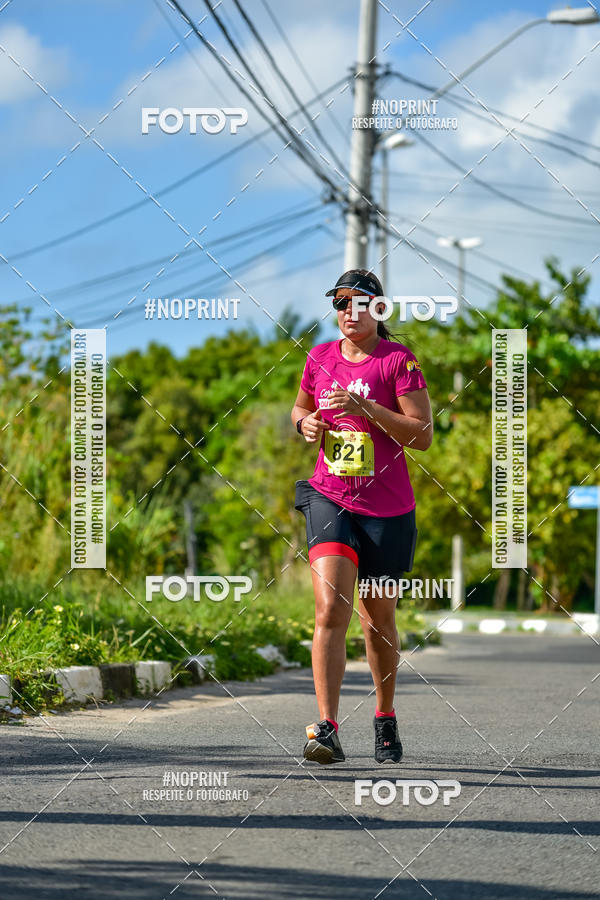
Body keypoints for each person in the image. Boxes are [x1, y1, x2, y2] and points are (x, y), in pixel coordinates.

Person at [291, 268, 433, 764]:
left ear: (378, 309)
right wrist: (306, 422)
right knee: (330, 609)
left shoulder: (398, 362)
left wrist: (365, 408)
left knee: (378, 621)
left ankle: (385, 715)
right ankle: (326, 726)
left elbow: (422, 434)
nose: (349, 311)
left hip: (387, 509)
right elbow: (300, 409)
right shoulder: (320, 357)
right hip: (329, 495)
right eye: (341, 303)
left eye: (360, 302)